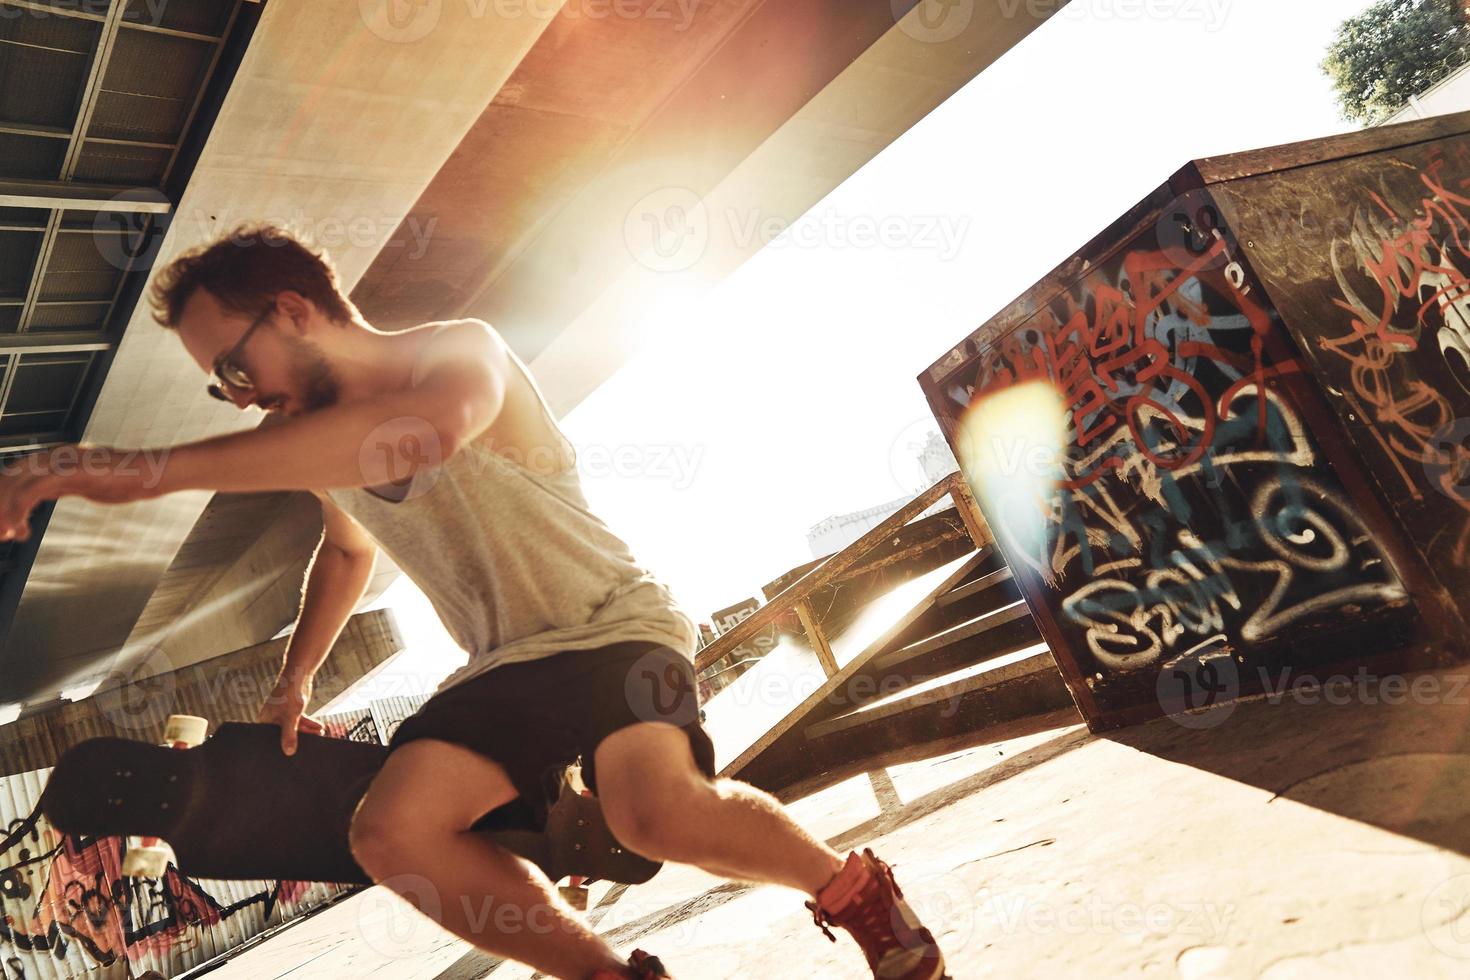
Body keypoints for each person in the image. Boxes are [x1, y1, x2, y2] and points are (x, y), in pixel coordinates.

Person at [0, 225, 949, 980]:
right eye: (221, 386)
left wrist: (130, 470)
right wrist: (295, 677)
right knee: (389, 831)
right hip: (506, 663)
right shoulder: (319, 443)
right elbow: (344, 551)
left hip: (617, 622)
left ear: (293, 311)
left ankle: (856, 890)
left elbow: (422, 439)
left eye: (238, 372)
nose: (240, 400)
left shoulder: (459, 353)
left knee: (652, 813)